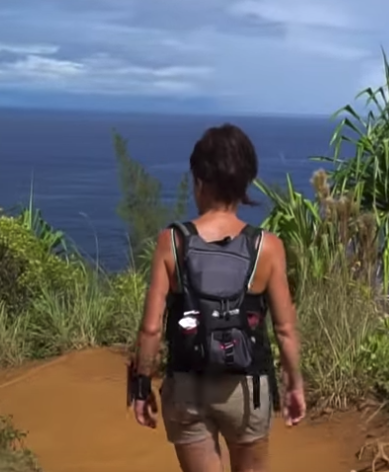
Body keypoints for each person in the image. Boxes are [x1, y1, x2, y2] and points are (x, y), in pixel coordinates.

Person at [127, 123, 305, 472]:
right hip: (248, 390)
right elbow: (285, 330)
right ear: (244, 183)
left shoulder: (172, 242)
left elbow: (150, 330)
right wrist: (294, 385)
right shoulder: (267, 247)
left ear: (199, 180)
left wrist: (141, 385)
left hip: (186, 388)